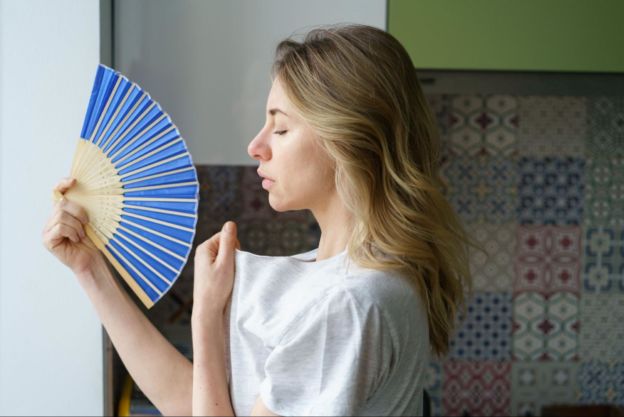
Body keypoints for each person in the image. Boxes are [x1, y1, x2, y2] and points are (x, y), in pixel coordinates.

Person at [42, 24, 477, 416]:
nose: (256, 145)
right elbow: (193, 403)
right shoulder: (346, 279)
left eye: (281, 129)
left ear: (347, 141)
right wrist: (90, 269)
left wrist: (207, 320)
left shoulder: (347, 304)